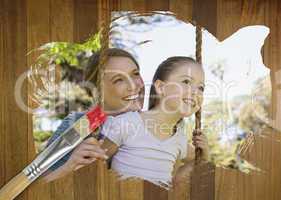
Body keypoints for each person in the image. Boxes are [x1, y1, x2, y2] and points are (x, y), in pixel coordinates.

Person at [99, 56, 209, 189]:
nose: (195, 92)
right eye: (186, 81)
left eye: (201, 88)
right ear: (161, 87)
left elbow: (176, 181)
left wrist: (203, 157)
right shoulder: (127, 124)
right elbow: (96, 165)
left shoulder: (179, 140)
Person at [42, 48, 145, 182]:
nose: (134, 85)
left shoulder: (156, 125)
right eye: (119, 80)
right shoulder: (80, 124)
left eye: (135, 74)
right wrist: (70, 167)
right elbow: (40, 183)